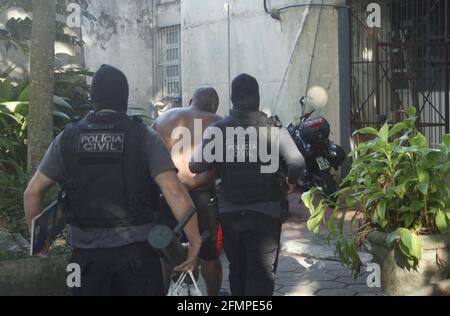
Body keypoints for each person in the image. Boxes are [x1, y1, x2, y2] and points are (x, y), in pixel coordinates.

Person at [23, 64, 201, 296]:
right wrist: (195, 242)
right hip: (138, 258)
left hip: (82, 260)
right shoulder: (144, 136)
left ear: (92, 98)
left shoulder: (67, 138)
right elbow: (174, 193)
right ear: (124, 98)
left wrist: (39, 242)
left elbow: (32, 192)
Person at [190, 74, 305, 296]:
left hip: (230, 212)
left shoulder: (217, 129)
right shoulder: (274, 127)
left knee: (237, 269)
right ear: (257, 97)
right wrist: (290, 184)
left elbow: (196, 165)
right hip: (266, 213)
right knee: (262, 273)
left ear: (232, 99)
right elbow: (297, 162)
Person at [152, 86, 223, 296]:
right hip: (202, 197)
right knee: (209, 254)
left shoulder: (163, 119)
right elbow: (218, 166)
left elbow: (149, 157)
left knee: (166, 251)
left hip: (168, 194)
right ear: (213, 105)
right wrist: (193, 184)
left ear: (191, 99)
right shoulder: (217, 121)